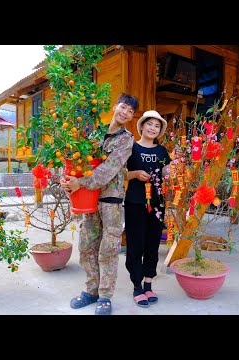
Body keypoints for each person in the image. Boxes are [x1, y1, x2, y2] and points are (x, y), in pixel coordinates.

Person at [60, 93, 139, 315]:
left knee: (108, 250)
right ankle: (91, 291)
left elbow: (107, 171)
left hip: (111, 201)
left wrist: (80, 182)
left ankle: (105, 296)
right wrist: (67, 179)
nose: (125, 113)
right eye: (123, 107)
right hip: (89, 200)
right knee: (86, 247)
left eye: (130, 111)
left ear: (132, 117)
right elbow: (78, 161)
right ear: (115, 106)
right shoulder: (94, 135)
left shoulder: (126, 139)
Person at [124, 110, 171, 308]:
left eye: (157, 125)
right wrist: (134, 174)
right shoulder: (131, 148)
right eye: (149, 124)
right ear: (141, 126)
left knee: (153, 243)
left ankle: (148, 283)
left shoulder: (162, 151)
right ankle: (136, 286)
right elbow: (122, 174)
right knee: (135, 244)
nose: (153, 128)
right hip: (135, 202)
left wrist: (173, 169)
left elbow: (168, 171)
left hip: (157, 203)